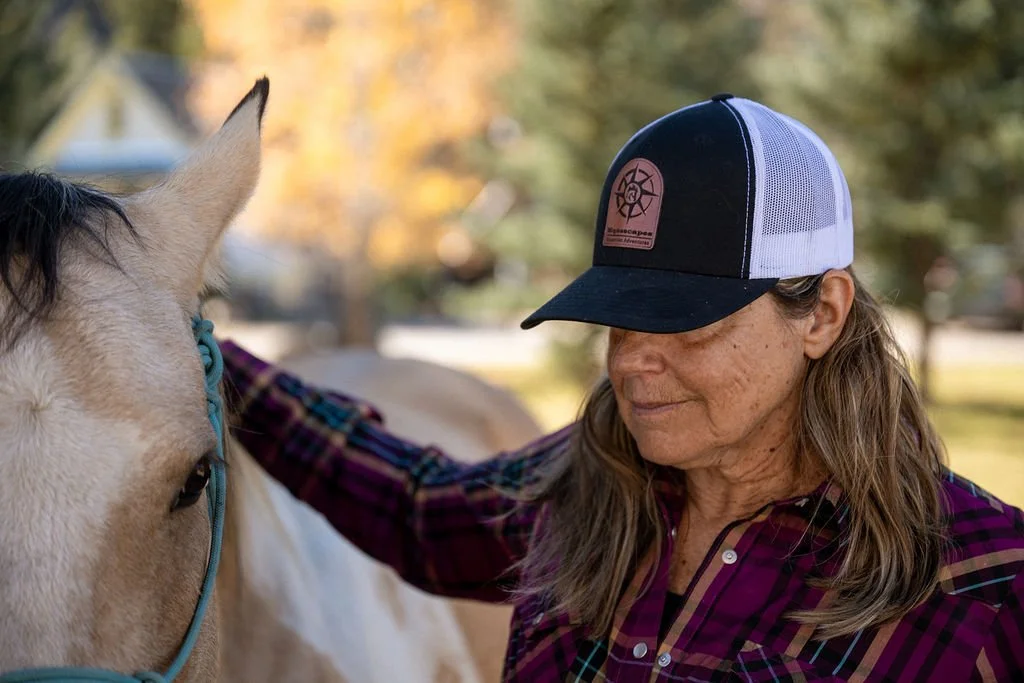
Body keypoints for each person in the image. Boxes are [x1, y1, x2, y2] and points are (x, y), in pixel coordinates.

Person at [218, 94, 1024, 682]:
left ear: (822, 313)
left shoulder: (984, 592)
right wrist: (202, 355)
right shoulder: (588, 486)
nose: (633, 362)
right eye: (620, 321)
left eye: (686, 324)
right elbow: (417, 507)